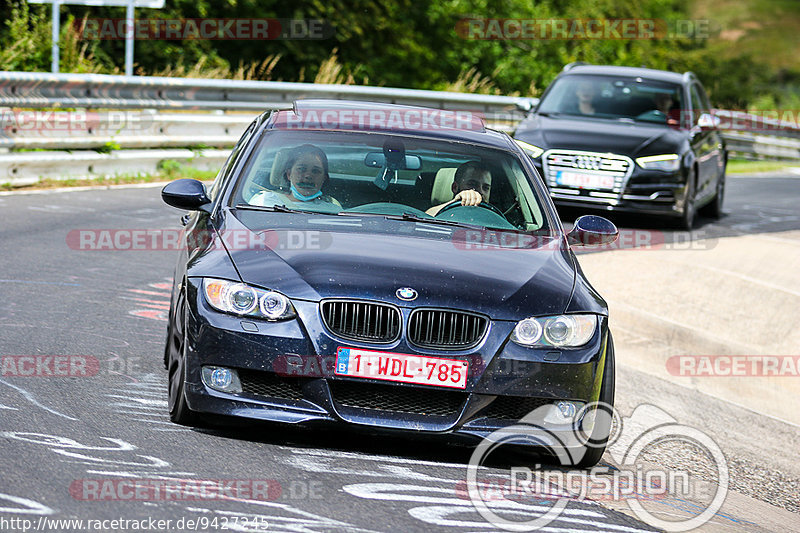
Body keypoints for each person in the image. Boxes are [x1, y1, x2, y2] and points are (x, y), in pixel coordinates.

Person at [250, 144, 341, 208]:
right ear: (289, 174)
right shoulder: (263, 203)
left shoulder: (333, 211)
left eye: (315, 171)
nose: (308, 176)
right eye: (301, 169)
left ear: (324, 178)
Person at [426, 161, 492, 216]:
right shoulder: (443, 214)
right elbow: (426, 218)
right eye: (472, 184)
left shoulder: (493, 218)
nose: (481, 191)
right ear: (455, 187)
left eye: (486, 188)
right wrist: (455, 201)